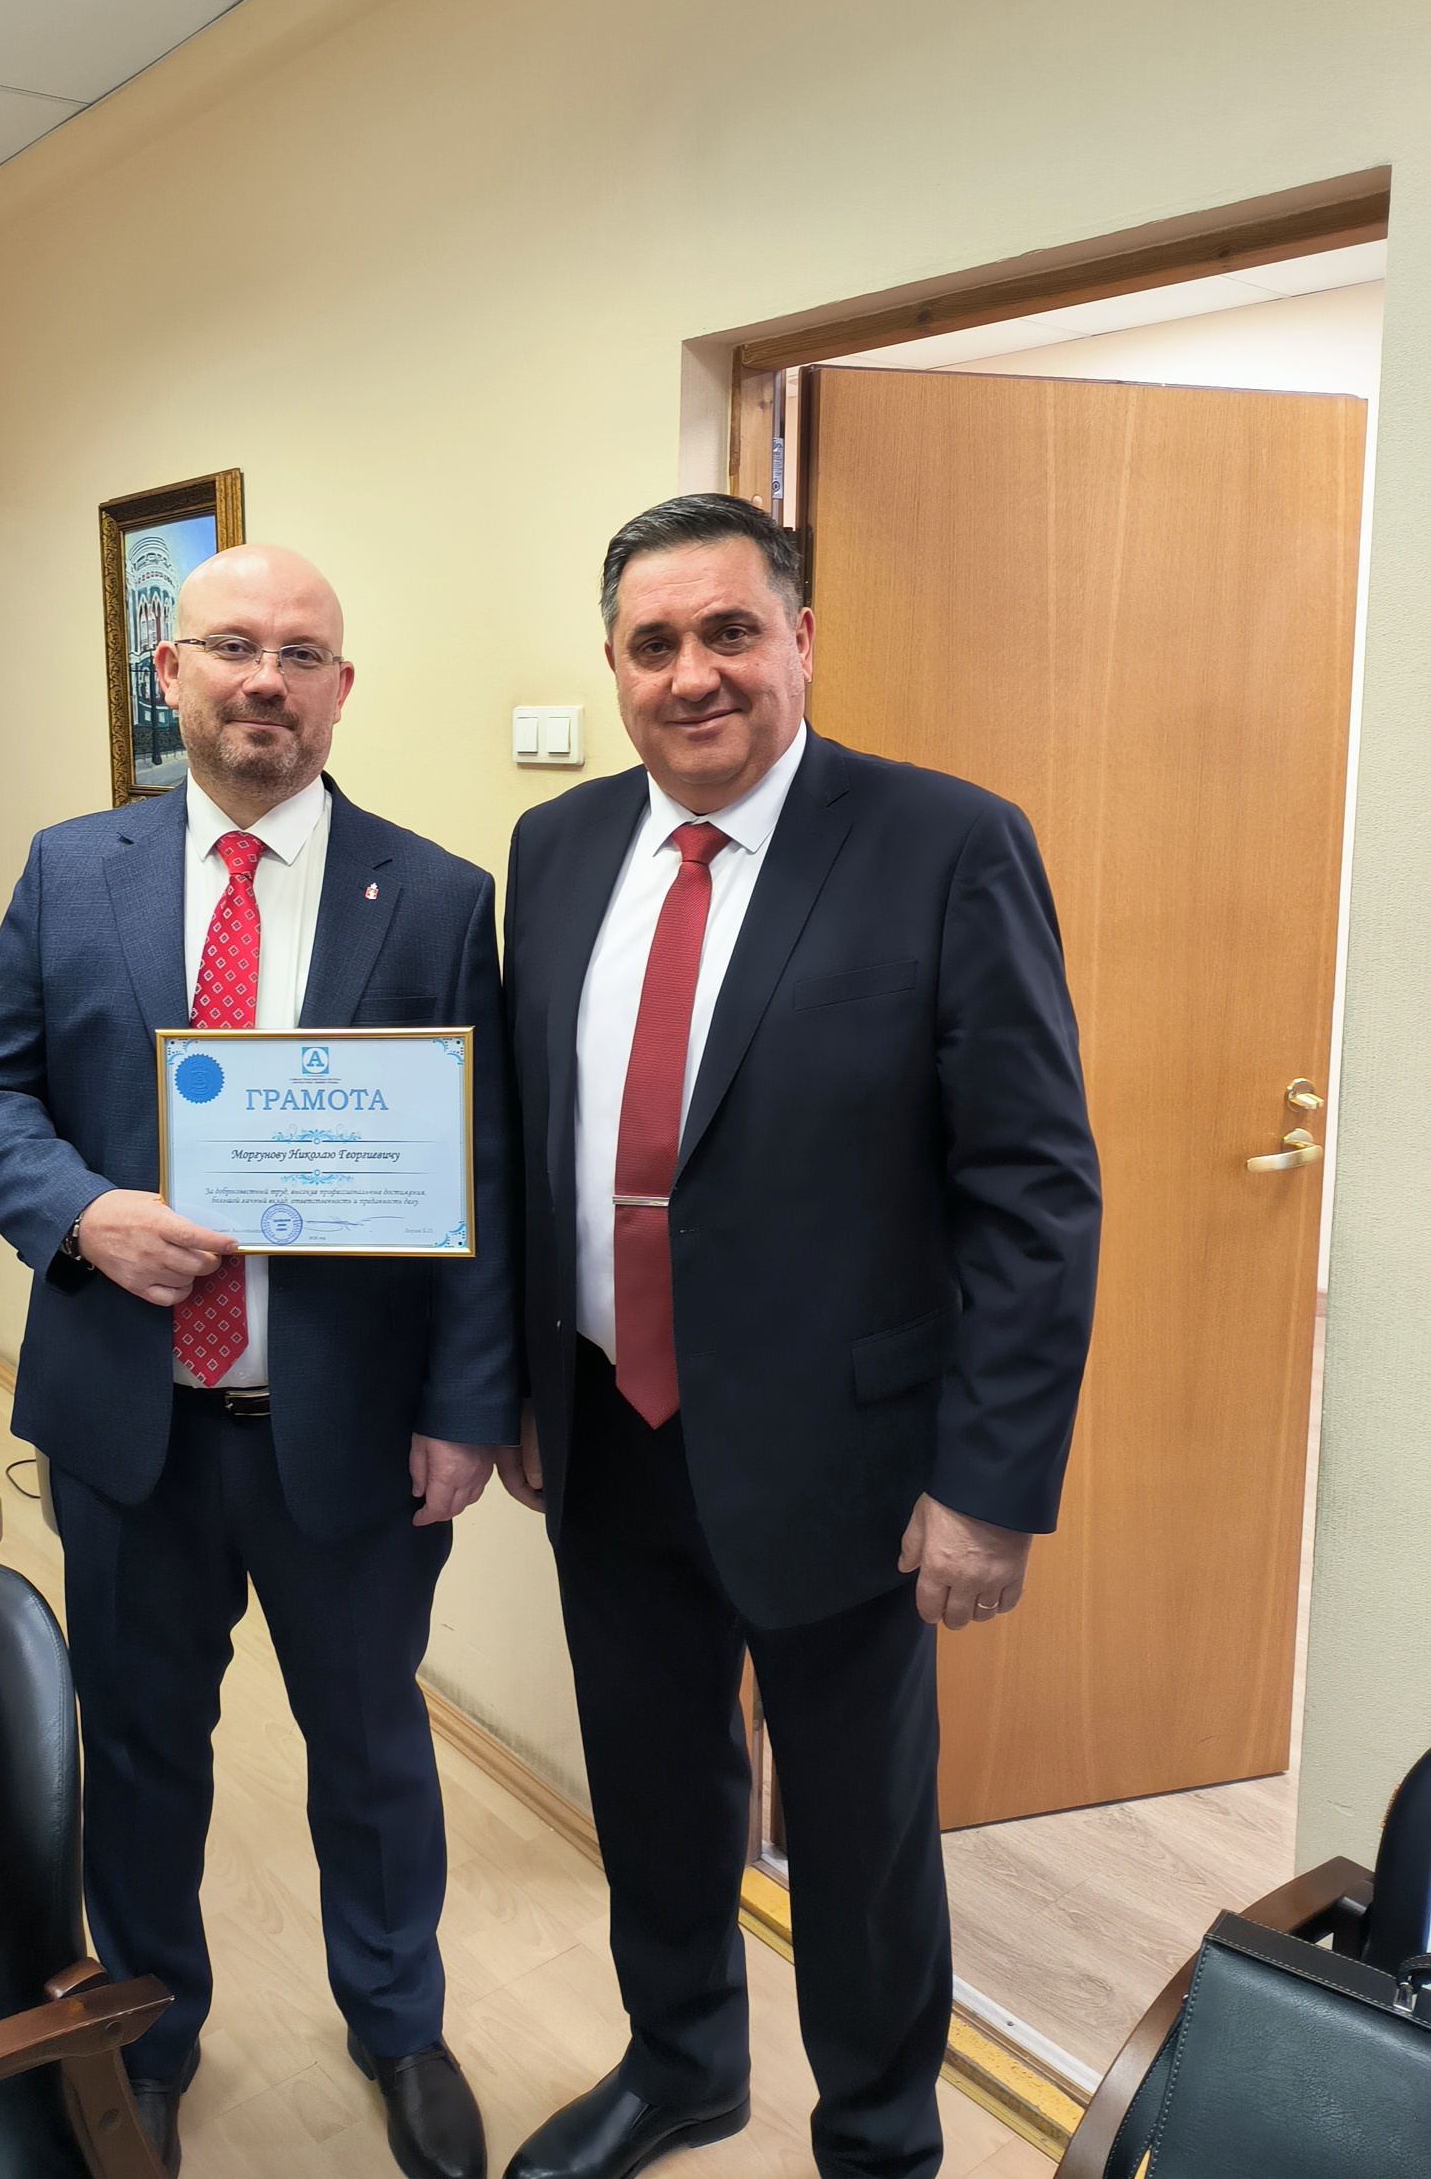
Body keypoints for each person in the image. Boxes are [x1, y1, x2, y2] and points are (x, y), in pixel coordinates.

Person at [495, 495, 1101, 2179]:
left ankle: (879, 2139)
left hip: (848, 1460)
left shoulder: (943, 844)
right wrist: (517, 1385)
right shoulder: (555, 851)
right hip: (609, 1427)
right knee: (651, 1791)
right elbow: (527, 1145)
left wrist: (988, 1483)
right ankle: (680, 2064)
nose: (692, 674)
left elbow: (1034, 1191)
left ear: (802, 640)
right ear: (613, 665)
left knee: (855, 1836)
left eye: (729, 632)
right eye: (653, 644)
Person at [0, 545, 517, 2179]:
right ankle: (149, 2035)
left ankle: (397, 2024)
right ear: (169, 672)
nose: (268, 680)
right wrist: (81, 1212)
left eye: (302, 654)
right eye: (235, 647)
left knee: (373, 1753)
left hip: (352, 1435)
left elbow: (482, 1178)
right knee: (137, 1751)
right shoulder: (73, 872)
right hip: (133, 1428)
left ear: (341, 689)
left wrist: (468, 1410)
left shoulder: (436, 896)